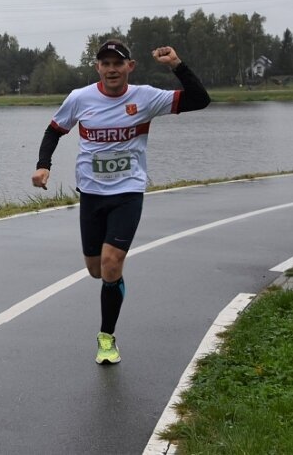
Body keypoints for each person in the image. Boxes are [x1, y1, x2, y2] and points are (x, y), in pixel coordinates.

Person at [31, 39, 210, 365]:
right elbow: (54, 131)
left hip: (127, 193)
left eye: (118, 63)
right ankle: (115, 281)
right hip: (91, 194)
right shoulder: (80, 99)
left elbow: (200, 99)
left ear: (130, 66)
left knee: (112, 264)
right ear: (98, 67)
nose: (112, 69)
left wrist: (176, 64)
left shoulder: (145, 97)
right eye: (106, 63)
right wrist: (44, 165)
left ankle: (106, 337)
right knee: (97, 270)